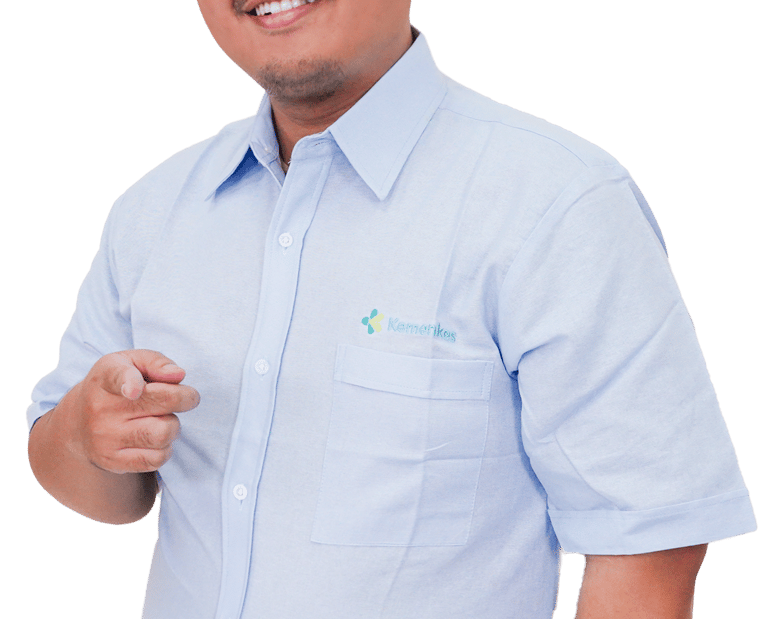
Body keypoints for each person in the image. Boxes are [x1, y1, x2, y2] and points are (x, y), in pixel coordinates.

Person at [26, 1, 757, 618]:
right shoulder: (154, 209)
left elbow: (649, 542)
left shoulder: (556, 203)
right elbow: (97, 488)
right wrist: (87, 436)